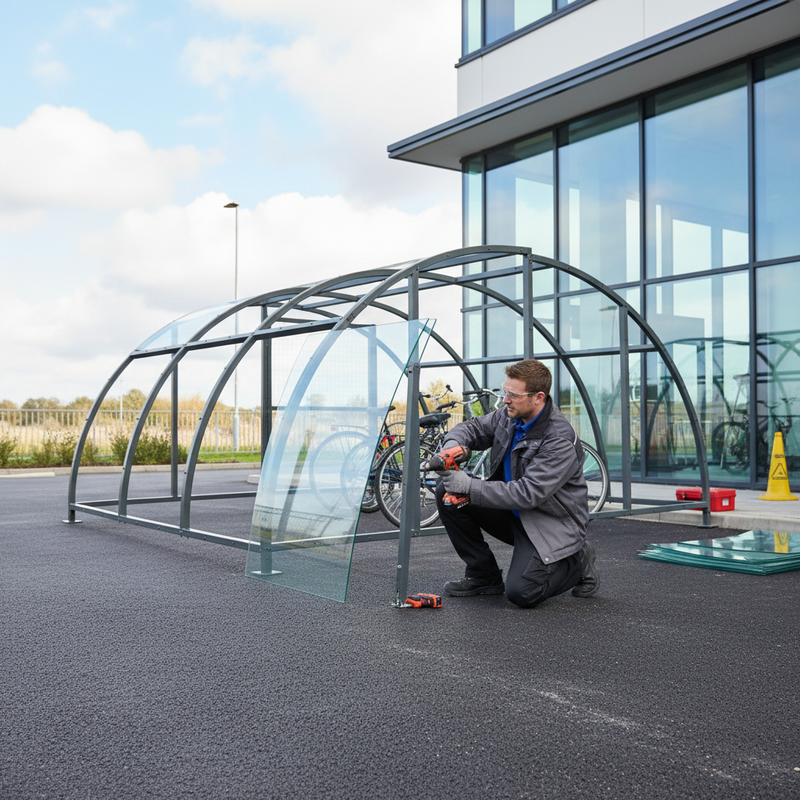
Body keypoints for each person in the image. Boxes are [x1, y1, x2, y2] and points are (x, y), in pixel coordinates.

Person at [434, 359, 598, 608]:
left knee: (522, 593)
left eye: (512, 394)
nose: (505, 399)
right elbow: (474, 427)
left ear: (538, 397)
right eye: (504, 391)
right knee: (447, 491)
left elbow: (528, 493)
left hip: (549, 524)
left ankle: (576, 560)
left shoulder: (558, 440)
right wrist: (452, 448)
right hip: (514, 513)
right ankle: (483, 576)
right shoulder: (508, 416)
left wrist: (468, 486)